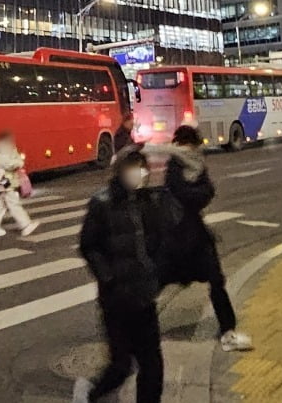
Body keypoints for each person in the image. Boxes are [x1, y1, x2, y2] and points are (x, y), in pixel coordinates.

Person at [74, 148, 181, 403]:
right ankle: (93, 395)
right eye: (132, 166)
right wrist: (108, 276)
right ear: (120, 170)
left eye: (141, 166)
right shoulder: (102, 203)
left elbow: (159, 240)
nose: (138, 172)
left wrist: (158, 272)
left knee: (152, 364)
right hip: (116, 300)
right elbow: (88, 245)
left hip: (144, 296)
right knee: (121, 365)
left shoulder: (149, 201)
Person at [144, 125, 253, 352]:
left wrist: (200, 194)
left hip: (196, 238)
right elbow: (185, 194)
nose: (188, 149)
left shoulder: (198, 164)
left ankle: (228, 330)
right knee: (155, 284)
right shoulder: (175, 165)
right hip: (175, 239)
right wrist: (200, 194)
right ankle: (140, 330)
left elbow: (204, 191)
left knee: (216, 280)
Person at [0, 131, 39, 237]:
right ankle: (25, 225)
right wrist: (19, 162)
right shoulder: (2, 153)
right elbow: (8, 164)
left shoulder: (6, 151)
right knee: (14, 204)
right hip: (6, 181)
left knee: (3, 204)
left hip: (8, 181)